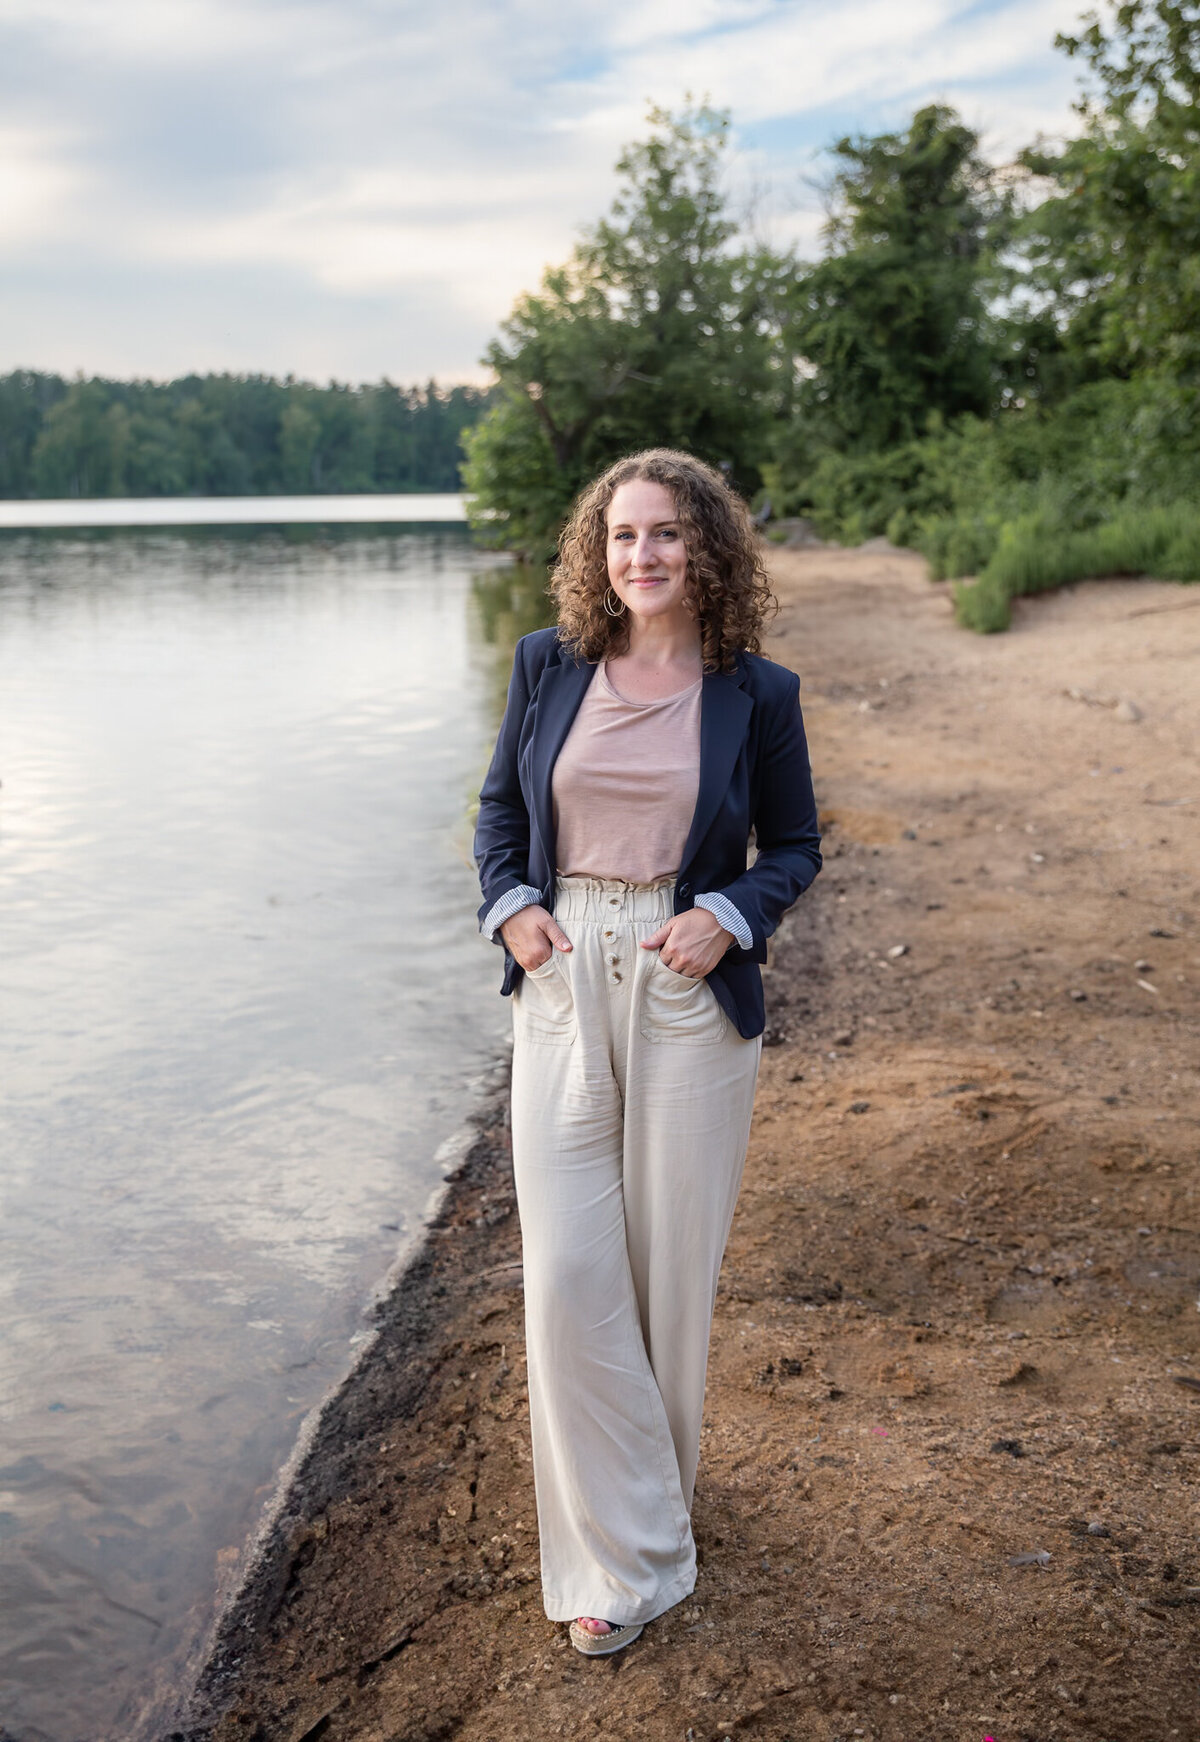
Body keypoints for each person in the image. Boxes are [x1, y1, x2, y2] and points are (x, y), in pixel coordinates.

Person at [474, 448, 821, 1656]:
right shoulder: (546, 664)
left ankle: (643, 1539)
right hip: (562, 969)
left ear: (707, 548)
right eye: (623, 535)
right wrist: (508, 902)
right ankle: (623, 1542)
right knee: (570, 1274)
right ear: (596, 551)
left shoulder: (757, 693)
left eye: (667, 533)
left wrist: (727, 914)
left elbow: (795, 847)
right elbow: (499, 813)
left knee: (669, 1278)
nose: (643, 555)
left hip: (684, 981)